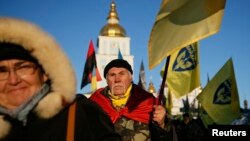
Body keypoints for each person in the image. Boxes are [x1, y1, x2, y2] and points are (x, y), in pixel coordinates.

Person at [0, 17, 121, 141]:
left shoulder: (79, 113)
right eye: (2, 71)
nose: (13, 80)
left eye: (23, 68)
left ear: (44, 73)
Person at [89, 59, 176, 141]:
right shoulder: (93, 104)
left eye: (122, 74)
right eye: (112, 75)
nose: (117, 79)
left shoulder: (148, 102)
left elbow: (167, 138)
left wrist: (162, 124)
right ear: (107, 80)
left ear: (130, 77)